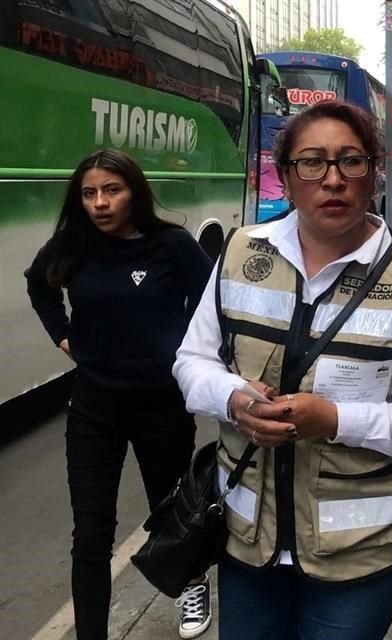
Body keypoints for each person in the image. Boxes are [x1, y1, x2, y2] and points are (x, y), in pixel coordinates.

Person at [172, 100, 392, 639]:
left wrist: (335, 419)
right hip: (246, 543)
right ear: (286, 177)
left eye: (350, 161)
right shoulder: (240, 252)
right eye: (312, 162)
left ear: (374, 173)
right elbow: (191, 361)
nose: (332, 179)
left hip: (357, 559)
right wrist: (234, 398)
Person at [24, 149, 213, 640]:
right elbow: (38, 285)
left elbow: (215, 302)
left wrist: (196, 356)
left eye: (112, 190)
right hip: (93, 408)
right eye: (89, 193)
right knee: (90, 537)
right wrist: (63, 336)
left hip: (162, 407)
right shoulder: (73, 245)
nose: (100, 203)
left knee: (173, 514)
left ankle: (191, 583)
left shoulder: (171, 245)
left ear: (135, 191)